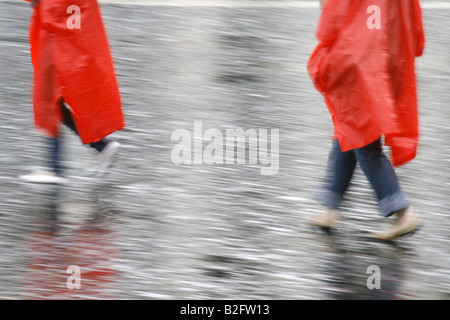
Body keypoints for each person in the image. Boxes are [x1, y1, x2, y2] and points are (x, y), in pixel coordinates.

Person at [306, 0, 425, 240]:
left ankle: (402, 211)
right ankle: (329, 207)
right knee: (348, 127)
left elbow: (334, 13)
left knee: (361, 134)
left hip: (359, 55)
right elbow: (415, 24)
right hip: (390, 53)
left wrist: (326, 39)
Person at [20, 0, 125, 184]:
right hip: (67, 28)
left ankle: (53, 168)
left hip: (54, 29)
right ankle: (100, 145)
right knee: (53, 101)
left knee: (46, 99)